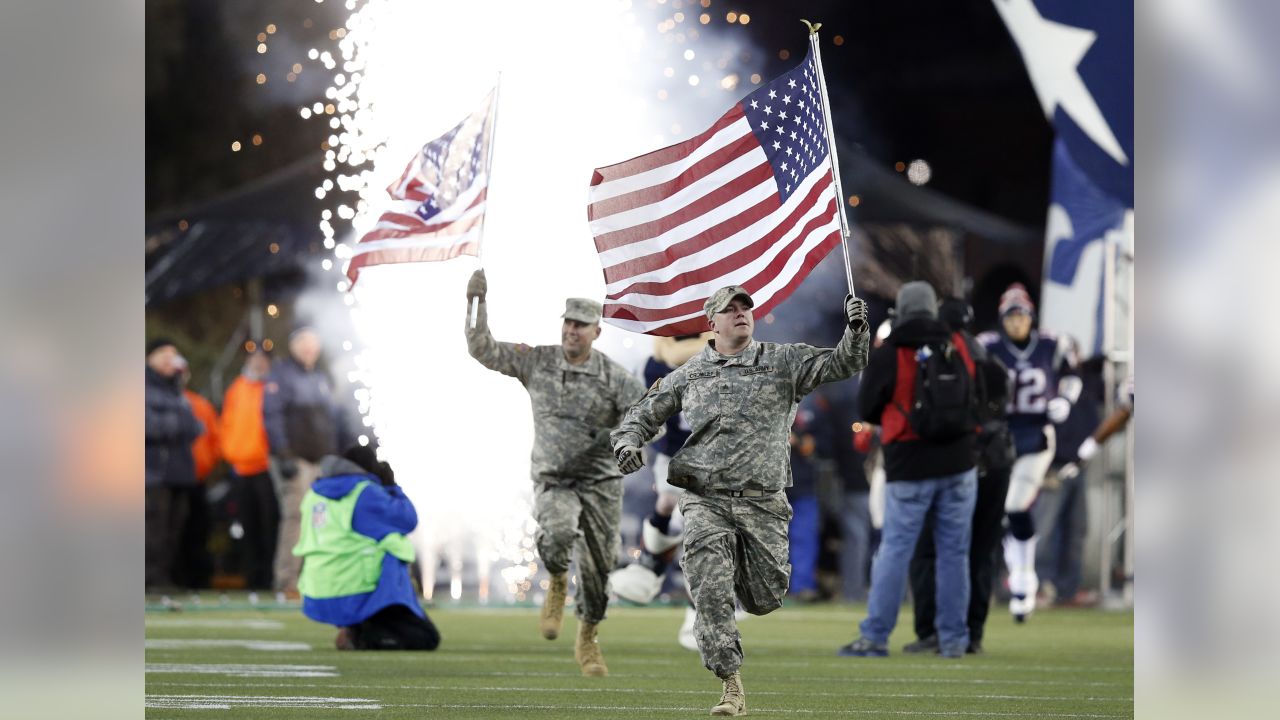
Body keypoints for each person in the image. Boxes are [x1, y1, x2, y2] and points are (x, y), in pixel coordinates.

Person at [612, 285, 869, 716]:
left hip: (763, 503)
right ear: (711, 324)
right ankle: (731, 685)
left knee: (766, 595)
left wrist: (856, 330)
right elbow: (642, 413)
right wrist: (628, 444)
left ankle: (740, 581)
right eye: (729, 310)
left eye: (745, 309)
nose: (740, 315)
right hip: (703, 500)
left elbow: (845, 362)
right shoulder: (689, 374)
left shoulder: (783, 362)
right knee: (710, 589)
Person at [464, 268, 646, 677]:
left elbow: (648, 417)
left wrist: (621, 439)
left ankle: (588, 639)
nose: (572, 331)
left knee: (600, 569)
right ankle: (558, 580)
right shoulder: (538, 361)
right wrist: (476, 302)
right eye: (568, 323)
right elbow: (484, 349)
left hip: (600, 482)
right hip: (554, 479)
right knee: (560, 532)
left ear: (596, 332)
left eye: (581, 325)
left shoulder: (615, 377)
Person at [838, 281, 978, 660]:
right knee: (954, 554)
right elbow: (979, 394)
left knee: (894, 552)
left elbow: (866, 409)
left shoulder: (891, 349)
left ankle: (876, 636)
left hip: (909, 463)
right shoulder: (957, 343)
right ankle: (952, 640)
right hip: (959, 462)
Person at [903, 297, 1014, 655]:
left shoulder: (935, 355)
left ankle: (932, 630)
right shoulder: (991, 362)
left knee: (933, 550)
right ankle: (973, 633)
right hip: (995, 461)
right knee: (981, 551)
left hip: (950, 460)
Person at [978, 283, 1080, 622]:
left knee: (1015, 505)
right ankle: (1021, 575)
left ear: (1031, 317)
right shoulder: (988, 346)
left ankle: (1023, 578)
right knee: (1002, 513)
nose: (1016, 322)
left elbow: (1072, 377)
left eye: (1021, 316)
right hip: (999, 437)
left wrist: (1064, 399)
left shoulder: (1051, 344)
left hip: (1036, 435)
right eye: (1010, 316)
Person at [607, 332, 710, 650]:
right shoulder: (652, 366)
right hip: (673, 454)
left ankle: (699, 606)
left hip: (714, 455)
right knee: (670, 505)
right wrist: (633, 440)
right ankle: (652, 565)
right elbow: (638, 410)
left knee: (699, 532)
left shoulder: (721, 360)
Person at [294, 445, 440, 651]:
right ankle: (363, 635)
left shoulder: (314, 494)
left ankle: (356, 627)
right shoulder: (364, 493)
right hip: (358, 590)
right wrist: (392, 486)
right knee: (425, 637)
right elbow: (408, 519)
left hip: (316, 590)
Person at [263, 326, 351, 598]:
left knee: (321, 520)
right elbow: (271, 415)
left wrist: (334, 457)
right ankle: (287, 581)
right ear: (292, 344)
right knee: (296, 518)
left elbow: (332, 421)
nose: (309, 347)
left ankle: (313, 579)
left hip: (320, 460)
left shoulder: (320, 378)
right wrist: (283, 452)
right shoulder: (281, 374)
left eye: (313, 341)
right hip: (295, 459)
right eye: (303, 341)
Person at [144, 337, 204, 591]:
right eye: (163, 354)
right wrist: (177, 425)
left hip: (180, 471)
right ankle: (148, 578)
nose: (170, 359)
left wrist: (177, 425)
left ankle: (164, 578)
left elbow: (196, 427)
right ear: (149, 358)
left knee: (175, 528)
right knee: (152, 528)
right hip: (153, 472)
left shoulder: (178, 390)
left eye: (173, 354)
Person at [221, 348, 278, 590]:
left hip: (267, 467)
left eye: (263, 359)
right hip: (241, 468)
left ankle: (269, 576)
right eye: (254, 359)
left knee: (270, 524)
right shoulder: (236, 388)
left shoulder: (274, 388)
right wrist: (229, 451)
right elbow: (226, 423)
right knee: (247, 525)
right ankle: (252, 577)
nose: (258, 363)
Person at [178, 363, 220, 588]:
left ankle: (198, 579)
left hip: (198, 477)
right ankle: (174, 577)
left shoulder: (199, 404)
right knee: (173, 530)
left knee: (199, 530)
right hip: (170, 478)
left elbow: (215, 438)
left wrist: (207, 464)